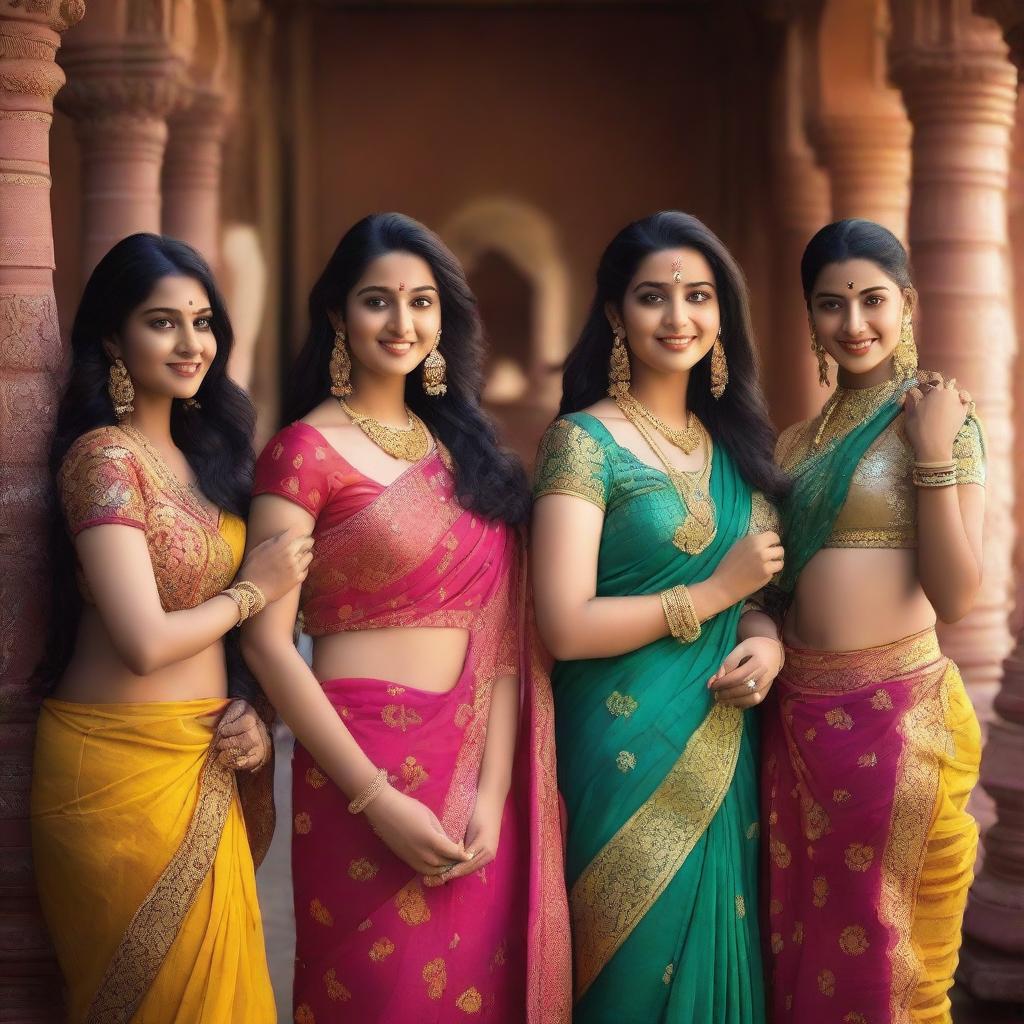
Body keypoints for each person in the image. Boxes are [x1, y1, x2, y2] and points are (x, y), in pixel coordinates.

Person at [241, 212, 571, 1023]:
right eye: (378, 301)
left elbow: (501, 645)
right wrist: (374, 798)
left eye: (422, 302)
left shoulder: (465, 458)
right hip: (356, 764)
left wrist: (492, 798)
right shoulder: (301, 452)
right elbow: (268, 641)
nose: (403, 322)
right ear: (336, 317)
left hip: (471, 779)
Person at [30, 233, 311, 1023]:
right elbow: (144, 640)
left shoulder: (210, 454)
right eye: (163, 322)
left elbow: (222, 636)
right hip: (118, 777)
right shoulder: (102, 461)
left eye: (202, 320)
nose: (192, 343)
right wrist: (256, 593)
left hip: (205, 757)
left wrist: (254, 707)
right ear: (113, 339)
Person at [530, 211, 788, 1023]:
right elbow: (563, 624)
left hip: (723, 744)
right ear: (615, 313)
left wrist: (765, 641)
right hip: (618, 751)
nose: (679, 318)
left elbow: (753, 602)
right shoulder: (580, 443)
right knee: (630, 981)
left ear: (723, 313)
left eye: (700, 296)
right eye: (653, 297)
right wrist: (713, 595)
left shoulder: (738, 447)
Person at [763, 218, 984, 1024]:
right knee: (804, 948)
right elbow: (773, 592)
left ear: (909, 304)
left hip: (896, 724)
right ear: (811, 317)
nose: (853, 324)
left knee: (889, 962)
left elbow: (957, 598)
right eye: (830, 305)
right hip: (797, 728)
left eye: (872, 301)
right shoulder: (791, 444)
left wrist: (931, 453)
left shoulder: (942, 419)